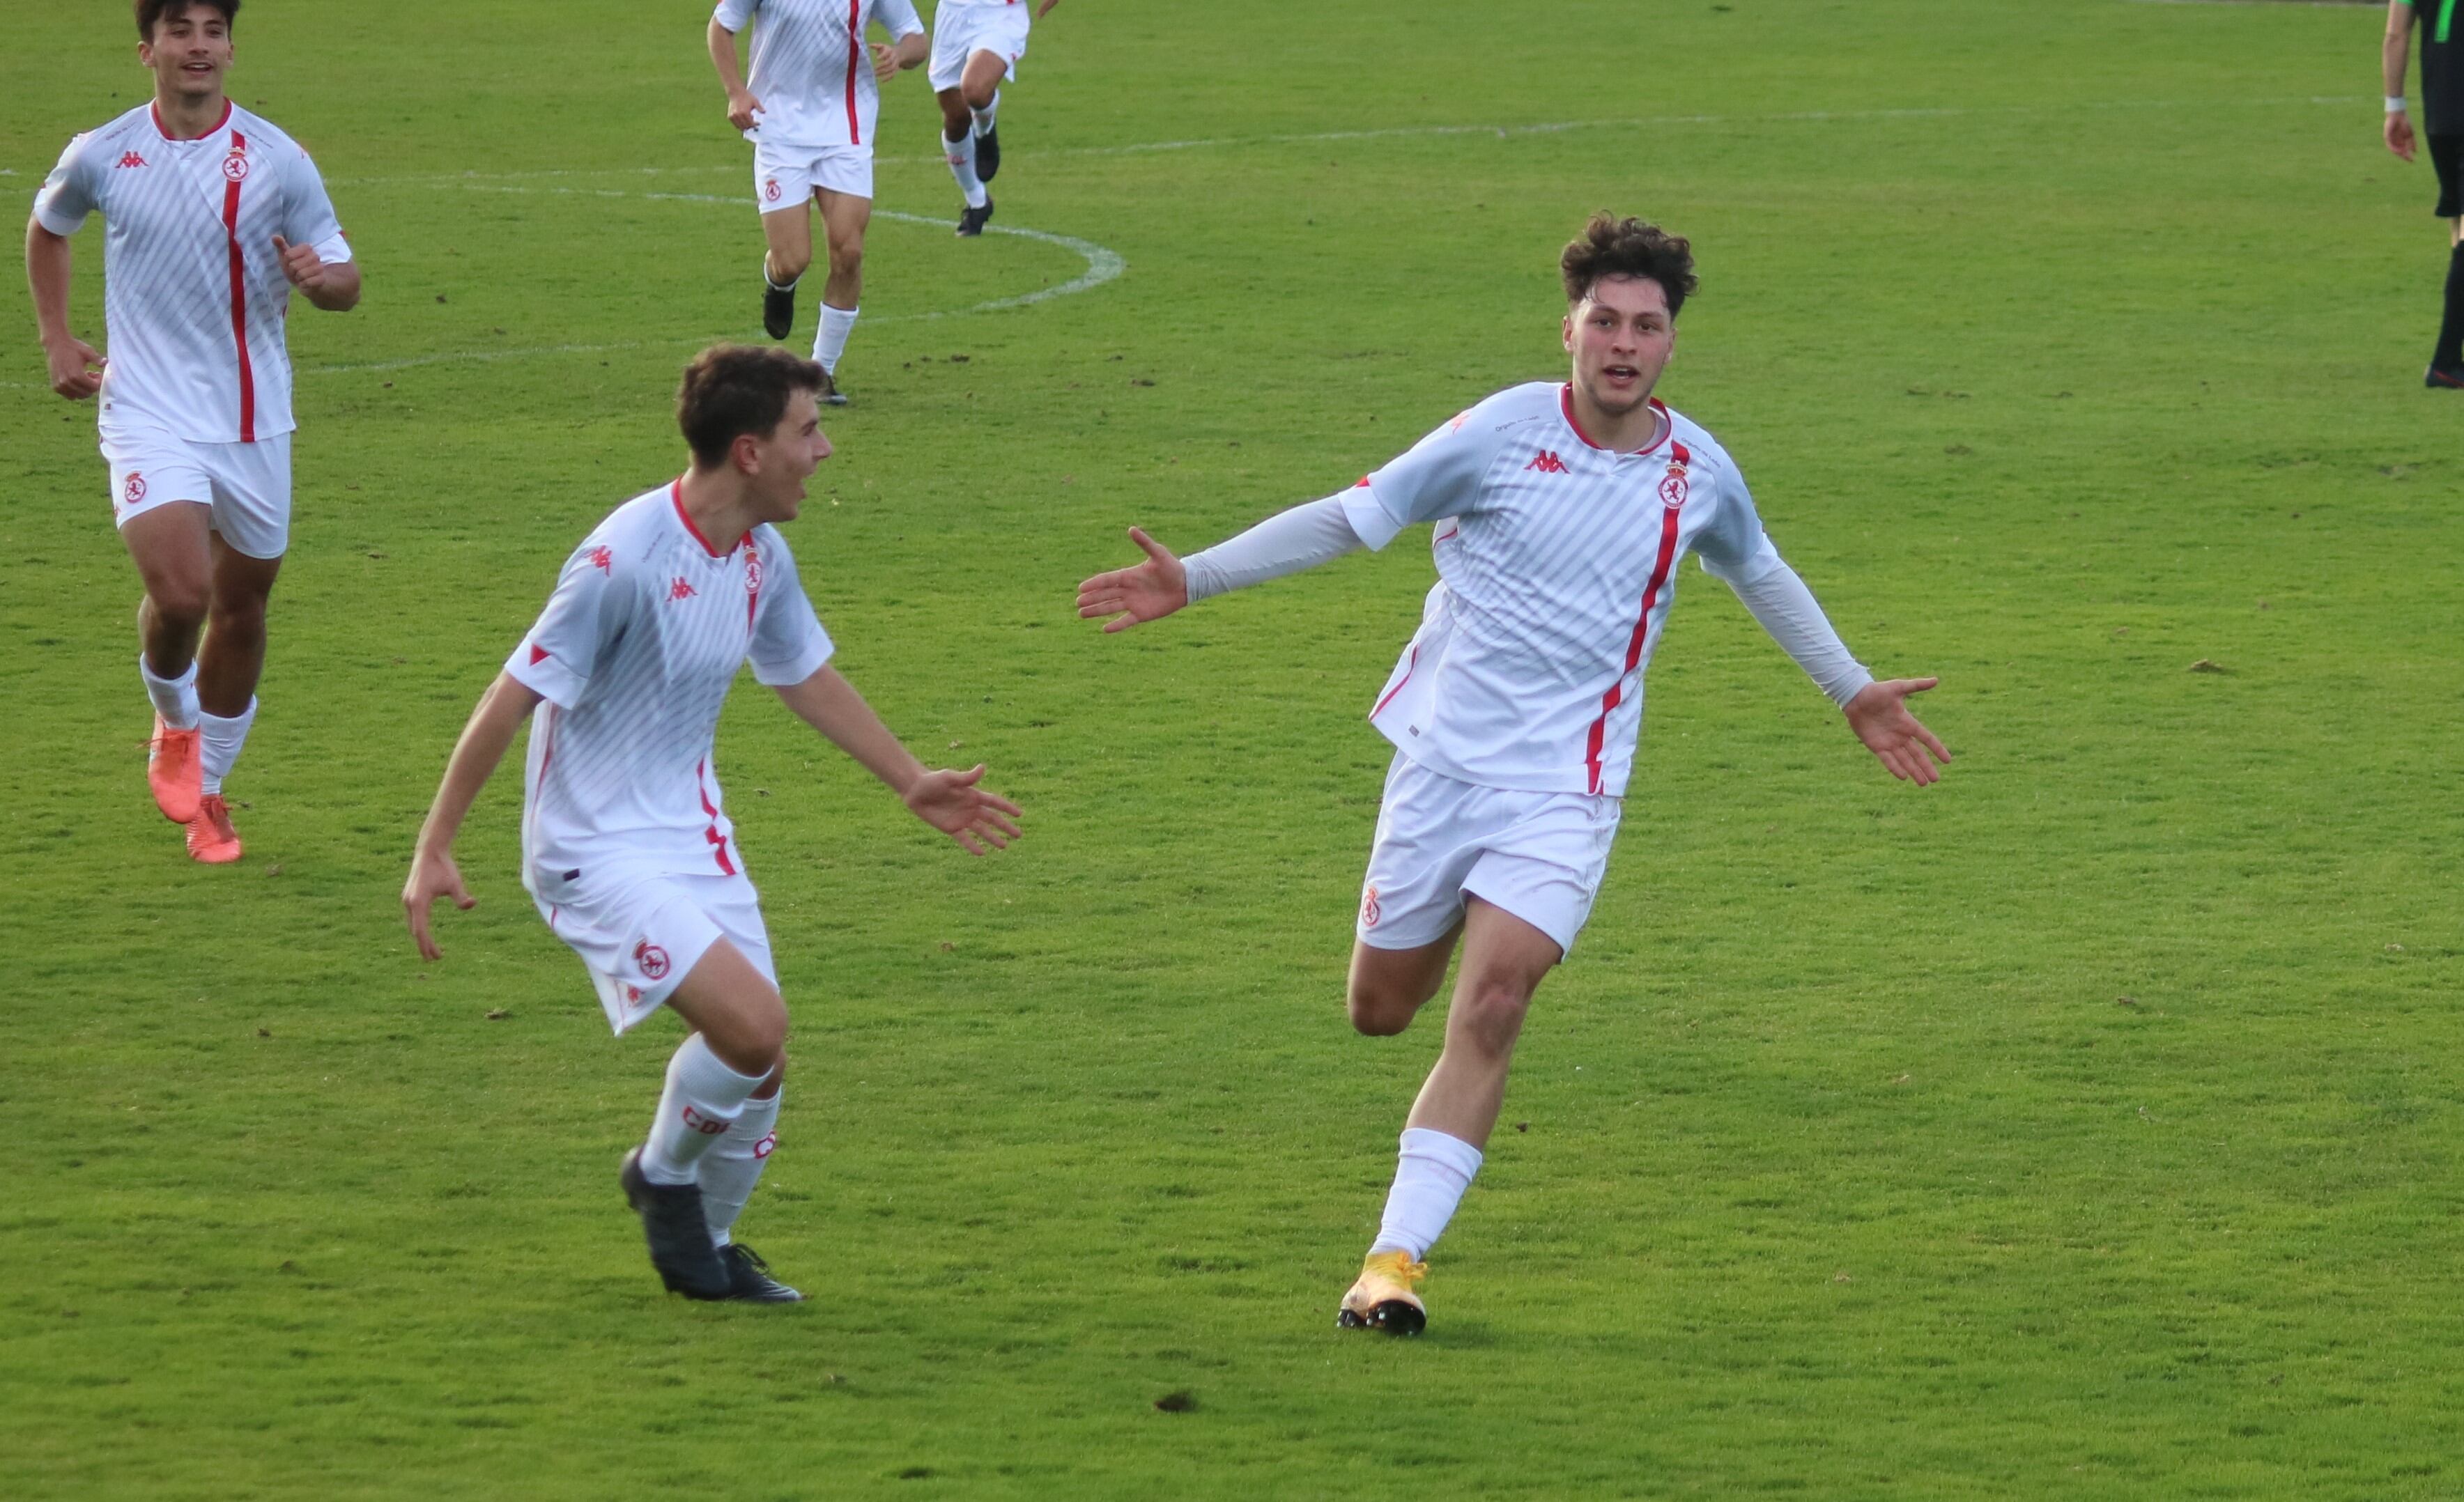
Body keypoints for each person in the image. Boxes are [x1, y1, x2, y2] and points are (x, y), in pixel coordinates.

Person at [1076, 215, 1950, 1336]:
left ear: (1672, 343)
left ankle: (1391, 1265)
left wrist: (1853, 689)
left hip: (1567, 793)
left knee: (1494, 1004)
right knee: (1381, 1011)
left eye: (1647, 326)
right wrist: (1194, 578)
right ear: (1571, 330)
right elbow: (1355, 519)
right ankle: (1407, 1112)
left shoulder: (1697, 471)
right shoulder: (1496, 434)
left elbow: (1762, 571)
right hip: (1442, 771)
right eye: (1605, 322)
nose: (1624, 344)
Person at [403, 345, 1022, 1302]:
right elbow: (512, 694)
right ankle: (660, 1177)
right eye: (807, 432)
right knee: (754, 1027)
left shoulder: (759, 553)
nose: (824, 452)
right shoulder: (622, 561)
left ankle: (709, 1245)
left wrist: (908, 779)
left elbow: (801, 670)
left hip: (690, 833)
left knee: (761, 1066)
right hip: (590, 848)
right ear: (747, 452)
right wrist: (436, 843)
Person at [26, 0, 360, 863]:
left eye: (213, 32)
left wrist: (323, 280)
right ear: (150, 51)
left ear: (231, 51)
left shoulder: (279, 159)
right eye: (181, 31)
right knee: (182, 596)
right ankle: (175, 727)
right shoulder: (102, 153)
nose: (198, 46)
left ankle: (209, 790)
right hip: (147, 410)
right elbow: (48, 228)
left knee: (243, 610)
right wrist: (57, 337)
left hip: (253, 419)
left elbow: (346, 279)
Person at [709, 0, 927, 404]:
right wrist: (736, 92)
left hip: (846, 128)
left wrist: (902, 55)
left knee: (849, 251)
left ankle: (820, 373)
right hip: (777, 127)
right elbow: (721, 27)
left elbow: (916, 38)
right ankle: (779, 280)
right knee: (793, 259)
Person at [930, 0, 1061, 238]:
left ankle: (984, 128)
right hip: (952, 16)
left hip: (1001, 15)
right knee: (955, 119)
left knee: (975, 89)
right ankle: (977, 201)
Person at [2385, 0, 2464, 386]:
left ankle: (2450, 362)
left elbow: (2396, 34)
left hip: (2442, 119)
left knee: (2460, 227)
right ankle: (2446, 362)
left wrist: (2394, 107)